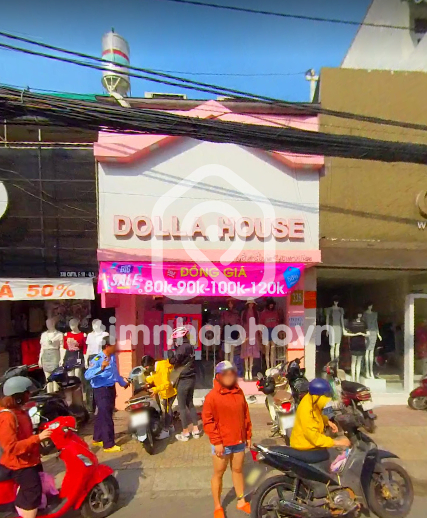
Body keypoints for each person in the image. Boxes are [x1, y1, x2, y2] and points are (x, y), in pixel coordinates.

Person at [203, 361, 252, 518]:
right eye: (226, 373)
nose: (230, 376)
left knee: (238, 470)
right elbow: (208, 422)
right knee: (219, 473)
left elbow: (245, 415)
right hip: (222, 444)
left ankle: (241, 500)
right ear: (218, 376)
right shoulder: (211, 397)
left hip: (239, 441)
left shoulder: (239, 392)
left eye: (232, 373)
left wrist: (248, 435)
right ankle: (218, 506)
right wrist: (217, 442)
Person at [0, 376, 52, 518]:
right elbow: (11, 447)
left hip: (29, 459)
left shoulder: (20, 411)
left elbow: (25, 433)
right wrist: (37, 438)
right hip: (18, 464)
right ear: (17, 397)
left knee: (39, 483)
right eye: (26, 393)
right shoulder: (7, 417)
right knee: (32, 492)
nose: (29, 395)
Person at [85, 339, 129, 452]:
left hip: (110, 389)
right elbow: (87, 375)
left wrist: (123, 383)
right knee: (106, 417)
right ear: (107, 346)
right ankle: (108, 445)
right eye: (114, 346)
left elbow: (115, 373)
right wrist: (101, 368)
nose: (116, 348)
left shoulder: (113, 357)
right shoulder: (97, 359)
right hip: (101, 390)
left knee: (103, 414)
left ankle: (98, 438)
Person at [290, 378, 351, 451]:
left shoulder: (311, 400)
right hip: (305, 448)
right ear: (317, 396)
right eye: (325, 398)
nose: (326, 401)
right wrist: (338, 442)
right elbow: (315, 439)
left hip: (311, 443)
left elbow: (317, 416)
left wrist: (327, 421)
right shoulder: (306, 412)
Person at [168, 326, 201, 442]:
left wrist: (170, 350)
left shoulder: (182, 348)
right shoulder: (190, 346)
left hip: (183, 380)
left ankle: (185, 433)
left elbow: (172, 361)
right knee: (190, 404)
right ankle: (196, 430)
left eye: (175, 339)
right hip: (191, 378)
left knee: (182, 407)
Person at [145, 356, 177, 439]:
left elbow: (167, 384)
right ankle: (171, 427)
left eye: (146, 367)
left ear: (151, 364)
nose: (146, 369)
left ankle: (166, 430)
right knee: (166, 408)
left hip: (170, 391)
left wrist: (155, 389)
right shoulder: (155, 368)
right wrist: (148, 381)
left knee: (167, 410)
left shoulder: (162, 367)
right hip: (164, 392)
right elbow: (155, 377)